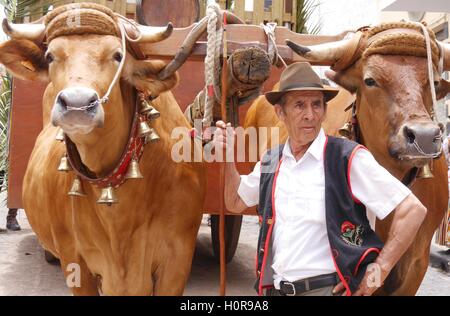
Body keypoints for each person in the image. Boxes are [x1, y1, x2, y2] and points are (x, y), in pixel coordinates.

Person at [213, 62, 427, 296]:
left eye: (317, 105)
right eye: (299, 105)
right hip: (275, 290)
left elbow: (412, 210)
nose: (310, 115)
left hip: (326, 290)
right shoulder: (271, 161)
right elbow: (234, 201)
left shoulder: (348, 158)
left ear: (325, 111)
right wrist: (227, 160)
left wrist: (378, 272)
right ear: (280, 112)